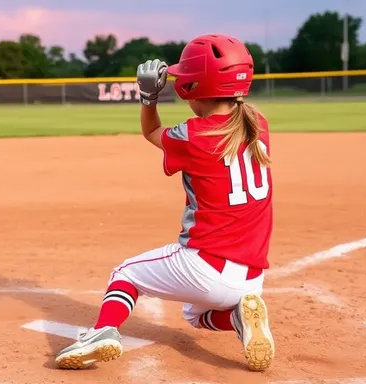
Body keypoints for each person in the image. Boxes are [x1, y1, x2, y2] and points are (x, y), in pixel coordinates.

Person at [54, 34, 275, 372]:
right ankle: (238, 316)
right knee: (194, 314)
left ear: (192, 86)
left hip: (204, 265)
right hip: (252, 276)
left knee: (125, 273)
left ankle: (102, 332)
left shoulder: (192, 135)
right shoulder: (259, 125)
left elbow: (151, 132)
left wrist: (148, 98)